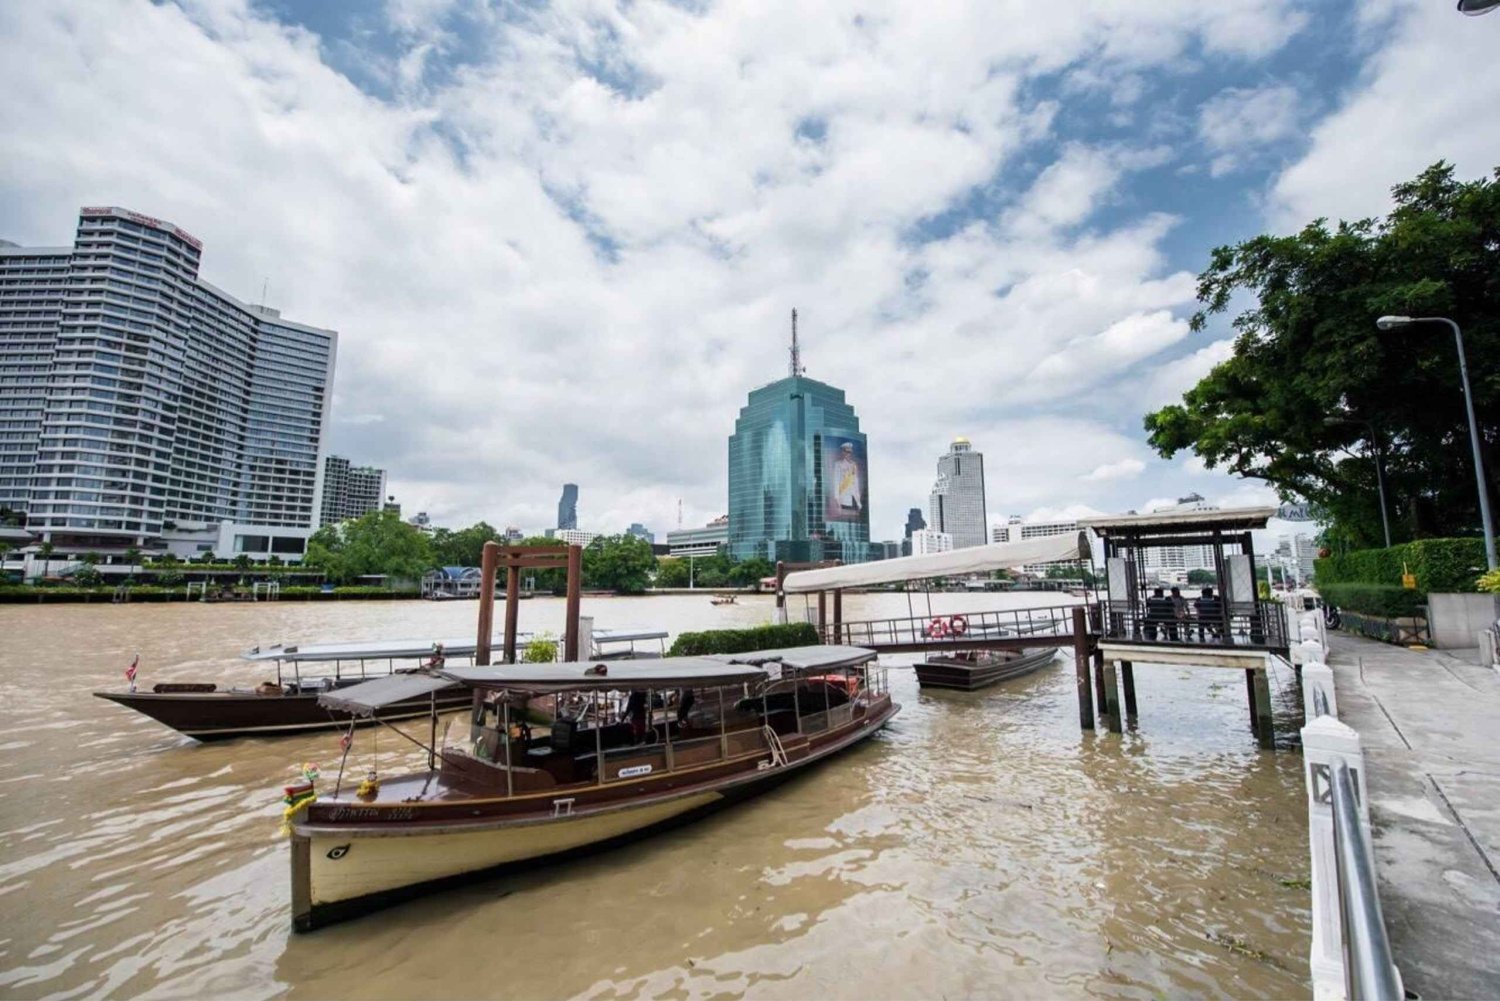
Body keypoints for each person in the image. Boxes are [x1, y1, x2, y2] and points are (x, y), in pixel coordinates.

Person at [832, 442, 862, 514]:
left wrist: (858, 501)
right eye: (847, 452)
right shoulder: (838, 464)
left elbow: (855, 482)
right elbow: (836, 482)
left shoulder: (854, 465)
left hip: (854, 498)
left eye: (850, 452)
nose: (848, 454)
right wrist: (837, 499)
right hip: (844, 498)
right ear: (843, 452)